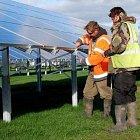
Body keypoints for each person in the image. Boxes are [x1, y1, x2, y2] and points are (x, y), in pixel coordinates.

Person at [104, 7, 140, 132]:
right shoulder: (131, 26)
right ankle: (132, 121)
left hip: (123, 67)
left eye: (114, 16)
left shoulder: (122, 26)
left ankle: (120, 125)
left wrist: (108, 52)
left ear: (120, 15)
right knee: (130, 93)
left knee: (119, 94)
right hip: (132, 66)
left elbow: (120, 45)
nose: (113, 20)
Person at [75, 21, 112, 119]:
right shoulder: (93, 37)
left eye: (91, 32)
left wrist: (83, 61)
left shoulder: (104, 39)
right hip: (93, 70)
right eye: (88, 33)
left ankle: (107, 115)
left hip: (102, 71)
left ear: (97, 29)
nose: (89, 35)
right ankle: (87, 114)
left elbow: (97, 58)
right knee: (87, 92)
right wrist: (79, 41)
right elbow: (85, 37)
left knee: (105, 94)